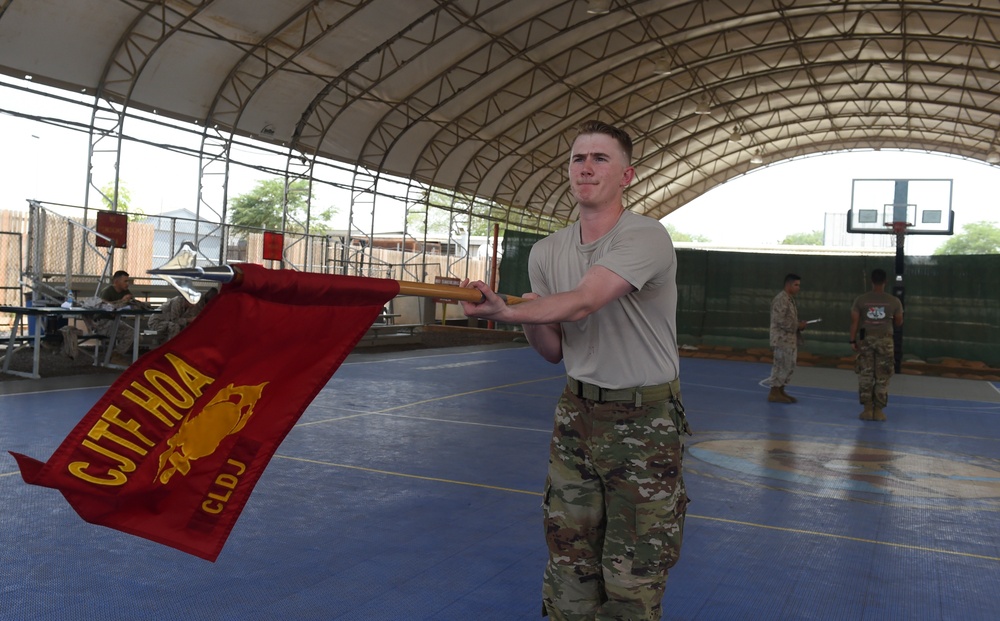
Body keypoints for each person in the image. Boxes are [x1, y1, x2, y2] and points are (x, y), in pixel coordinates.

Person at [459, 120, 690, 620]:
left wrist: (507, 311)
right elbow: (552, 348)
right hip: (577, 415)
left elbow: (585, 301)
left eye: (600, 159)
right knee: (569, 560)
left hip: (643, 421)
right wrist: (523, 314)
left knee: (633, 572)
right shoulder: (546, 252)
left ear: (626, 175)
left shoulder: (646, 236)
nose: (586, 167)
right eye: (577, 159)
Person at [850, 268, 904, 421]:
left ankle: (867, 409)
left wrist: (852, 340)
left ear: (872, 281)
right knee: (883, 375)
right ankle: (879, 410)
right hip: (886, 341)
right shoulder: (894, 301)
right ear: (885, 282)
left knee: (865, 374)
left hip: (866, 340)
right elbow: (899, 322)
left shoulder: (861, 300)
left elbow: (854, 322)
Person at [766, 273, 807, 403]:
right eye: (796, 285)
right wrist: (797, 325)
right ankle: (774, 392)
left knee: (788, 365)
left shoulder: (789, 299)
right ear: (788, 285)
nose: (798, 288)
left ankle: (781, 390)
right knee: (781, 365)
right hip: (781, 339)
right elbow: (779, 320)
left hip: (789, 339)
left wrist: (799, 324)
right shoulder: (781, 299)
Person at [149, 288, 218, 342]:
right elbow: (174, 320)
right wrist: (189, 320)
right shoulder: (177, 302)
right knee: (174, 327)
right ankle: (171, 348)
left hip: (169, 324)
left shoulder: (191, 306)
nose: (194, 305)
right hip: (157, 322)